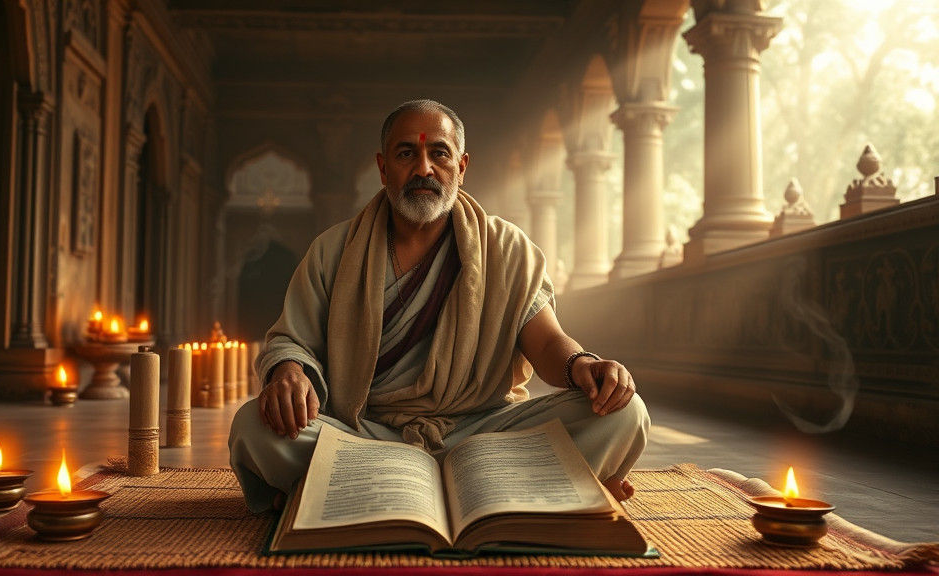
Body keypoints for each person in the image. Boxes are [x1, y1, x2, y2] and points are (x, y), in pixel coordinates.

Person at [229, 99, 649, 513]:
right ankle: (549, 483)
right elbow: (292, 341)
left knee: (623, 412)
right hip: (366, 433)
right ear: (383, 167)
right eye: (407, 153)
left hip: (483, 432)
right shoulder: (333, 251)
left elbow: (547, 343)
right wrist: (287, 373)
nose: (424, 168)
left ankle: (328, 489)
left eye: (439, 153)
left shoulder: (506, 249)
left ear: (461, 168)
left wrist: (583, 364)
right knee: (254, 426)